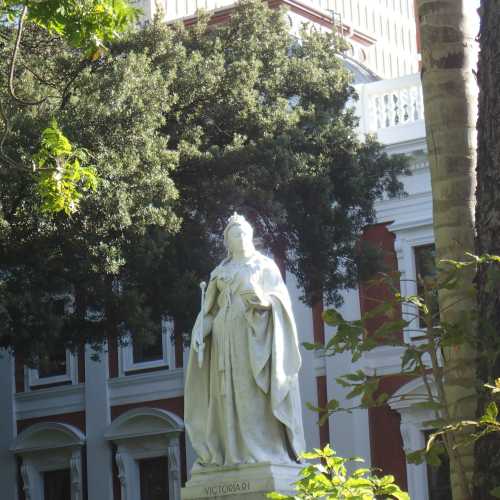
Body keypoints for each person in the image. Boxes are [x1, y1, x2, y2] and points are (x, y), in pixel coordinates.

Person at [184, 213, 305, 468]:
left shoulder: (264, 266)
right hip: (222, 338)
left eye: (243, 232)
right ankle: (231, 452)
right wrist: (199, 331)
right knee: (225, 396)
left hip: (252, 337)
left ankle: (262, 451)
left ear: (251, 236)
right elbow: (210, 311)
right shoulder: (219, 272)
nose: (240, 237)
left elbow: (281, 301)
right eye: (234, 234)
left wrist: (264, 303)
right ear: (227, 241)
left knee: (251, 394)